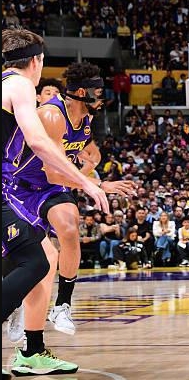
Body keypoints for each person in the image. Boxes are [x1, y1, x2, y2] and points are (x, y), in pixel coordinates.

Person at [5, 62, 134, 361]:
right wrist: (97, 184)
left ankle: (62, 305)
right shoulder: (52, 115)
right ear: (82, 93)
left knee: (69, 226)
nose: (102, 98)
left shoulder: (86, 119)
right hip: (21, 187)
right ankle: (16, 306)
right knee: (36, 260)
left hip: (51, 187)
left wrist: (92, 170)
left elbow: (84, 157)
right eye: (98, 92)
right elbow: (52, 171)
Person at [2, 28, 108, 376]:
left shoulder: (7, 85)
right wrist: (88, 183)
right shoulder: (20, 85)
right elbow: (40, 145)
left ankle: (32, 350)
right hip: (17, 188)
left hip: (18, 189)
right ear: (36, 61)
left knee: (43, 258)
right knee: (36, 260)